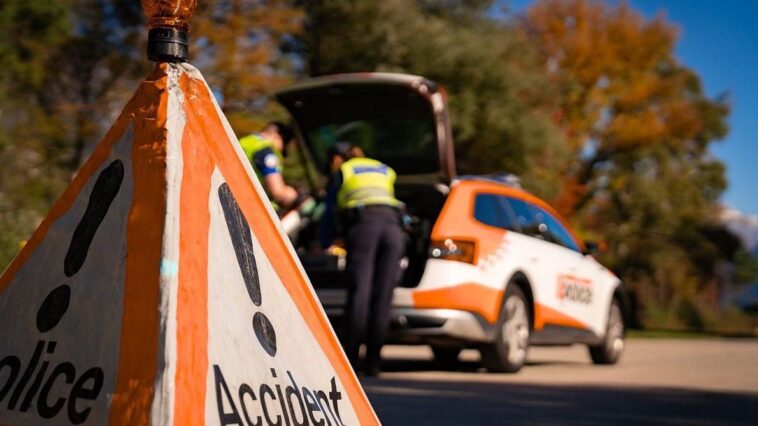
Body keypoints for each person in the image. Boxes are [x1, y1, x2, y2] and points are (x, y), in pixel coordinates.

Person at [324, 143, 405, 376]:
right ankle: (373, 362)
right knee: (382, 297)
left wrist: (326, 241)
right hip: (393, 228)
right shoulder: (384, 169)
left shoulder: (345, 170)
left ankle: (350, 360)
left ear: (338, 158)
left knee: (360, 291)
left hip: (365, 226)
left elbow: (330, 208)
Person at [239, 121, 298, 210]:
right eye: (284, 146)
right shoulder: (267, 152)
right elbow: (278, 192)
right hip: (247, 206)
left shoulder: (245, 141)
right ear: (277, 137)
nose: (281, 152)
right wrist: (291, 194)